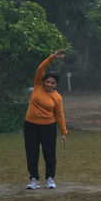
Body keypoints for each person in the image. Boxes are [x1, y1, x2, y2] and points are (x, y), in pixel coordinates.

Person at [23, 50, 68, 190]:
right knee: (32, 152)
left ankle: (50, 178)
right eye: (48, 82)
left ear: (56, 84)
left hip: (48, 127)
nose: (49, 85)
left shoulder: (57, 97)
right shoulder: (38, 85)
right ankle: (34, 179)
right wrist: (52, 58)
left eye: (52, 83)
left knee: (49, 153)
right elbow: (40, 69)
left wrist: (63, 131)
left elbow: (59, 114)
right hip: (30, 126)